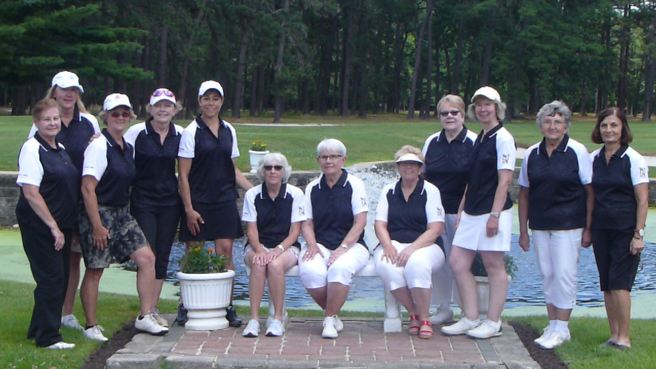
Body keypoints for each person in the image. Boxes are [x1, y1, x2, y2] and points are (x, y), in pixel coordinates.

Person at [79, 93, 168, 341]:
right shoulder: (98, 146)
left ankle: (145, 315)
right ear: (105, 116)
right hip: (99, 212)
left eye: (124, 113)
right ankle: (90, 325)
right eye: (115, 113)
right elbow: (87, 188)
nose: (120, 117)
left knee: (147, 258)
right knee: (96, 269)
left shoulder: (127, 146)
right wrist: (97, 225)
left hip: (122, 212)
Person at [441, 86, 516, 339]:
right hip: (472, 211)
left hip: (493, 211)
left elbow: (504, 181)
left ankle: (493, 322)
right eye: (479, 105)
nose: (483, 109)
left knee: (494, 265)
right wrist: (462, 209)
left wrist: (494, 216)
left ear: (497, 108)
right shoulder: (480, 138)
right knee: (458, 262)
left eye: (488, 104)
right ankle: (471, 317)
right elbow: (471, 180)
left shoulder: (503, 138)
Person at [517, 101, 594, 349]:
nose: (552, 126)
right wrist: (523, 231)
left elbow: (590, 192)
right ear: (540, 125)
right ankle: (552, 324)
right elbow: (524, 193)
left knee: (564, 274)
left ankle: (563, 328)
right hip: (540, 224)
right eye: (548, 121)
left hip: (568, 223)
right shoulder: (532, 153)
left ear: (566, 126)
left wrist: (588, 227)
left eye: (558, 122)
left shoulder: (577, 151)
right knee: (547, 274)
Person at [178, 80, 253, 327]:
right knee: (194, 251)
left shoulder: (229, 129)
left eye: (216, 98)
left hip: (224, 199)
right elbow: (184, 175)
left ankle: (226, 305)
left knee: (225, 252)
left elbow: (232, 169)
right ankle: (187, 305)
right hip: (198, 201)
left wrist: (254, 192)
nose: (211, 103)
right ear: (199, 101)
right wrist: (189, 209)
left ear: (222, 101)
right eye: (206, 98)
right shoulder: (191, 131)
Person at [29, 71, 100, 331]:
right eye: (64, 89)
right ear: (54, 92)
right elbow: (35, 158)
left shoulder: (89, 121)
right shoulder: (44, 123)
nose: (69, 94)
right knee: (59, 259)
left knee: (75, 258)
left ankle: (66, 314)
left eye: (74, 90)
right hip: (55, 199)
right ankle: (55, 315)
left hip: (82, 198)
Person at [16, 99, 80, 349]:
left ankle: (37, 328)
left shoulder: (59, 147)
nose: (52, 123)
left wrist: (67, 227)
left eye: (55, 118)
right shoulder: (32, 149)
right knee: (51, 278)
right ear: (36, 122)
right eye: (46, 119)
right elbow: (31, 193)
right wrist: (53, 226)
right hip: (40, 224)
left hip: (61, 224)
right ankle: (48, 338)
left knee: (59, 277)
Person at [124, 88, 184, 327]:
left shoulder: (179, 134)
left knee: (162, 256)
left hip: (170, 203)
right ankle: (144, 311)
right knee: (146, 257)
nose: (162, 109)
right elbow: (118, 151)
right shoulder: (137, 132)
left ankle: (154, 308)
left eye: (167, 106)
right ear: (149, 109)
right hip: (143, 202)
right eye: (158, 105)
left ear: (175, 109)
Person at [589, 108, 648, 350]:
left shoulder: (633, 159)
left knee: (620, 283)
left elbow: (643, 200)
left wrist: (638, 234)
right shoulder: (594, 157)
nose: (609, 130)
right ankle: (613, 335)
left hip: (626, 230)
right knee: (607, 282)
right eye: (604, 125)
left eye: (614, 125)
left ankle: (625, 337)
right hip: (601, 229)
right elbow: (590, 195)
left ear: (623, 128)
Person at [299, 138, 370, 339]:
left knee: (340, 269)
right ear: (318, 160)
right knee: (310, 270)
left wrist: (343, 248)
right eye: (324, 157)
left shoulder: (355, 185)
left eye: (333, 156)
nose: (328, 161)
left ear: (343, 160)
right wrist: (311, 245)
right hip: (319, 243)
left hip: (352, 245)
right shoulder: (313, 187)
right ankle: (333, 314)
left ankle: (329, 319)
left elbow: (360, 222)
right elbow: (307, 223)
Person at [374, 146, 446, 339]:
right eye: (404, 163)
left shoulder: (430, 191)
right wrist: (388, 245)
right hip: (395, 242)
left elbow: (436, 228)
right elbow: (380, 224)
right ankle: (413, 312)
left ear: (420, 167)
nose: (408, 167)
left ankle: (424, 318)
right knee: (386, 265)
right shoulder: (388, 191)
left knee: (417, 263)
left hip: (427, 245)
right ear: (398, 167)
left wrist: (412, 248)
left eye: (413, 164)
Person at [422, 94, 477, 325]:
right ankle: (444, 308)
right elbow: (423, 174)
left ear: (463, 115)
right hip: (435, 214)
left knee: (462, 263)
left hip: (463, 212)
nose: (449, 117)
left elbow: (476, 180)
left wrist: (466, 209)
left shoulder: (474, 141)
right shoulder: (432, 141)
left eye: (454, 112)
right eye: (445, 113)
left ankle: (468, 311)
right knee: (441, 263)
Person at [241, 153, 306, 337]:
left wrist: (278, 250)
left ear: (284, 171)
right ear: (262, 171)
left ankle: (278, 319)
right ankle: (253, 320)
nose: (272, 171)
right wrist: (260, 249)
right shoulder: (252, 195)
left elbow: (295, 232)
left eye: (277, 168)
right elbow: (251, 231)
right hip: (257, 245)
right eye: (268, 167)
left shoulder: (295, 194)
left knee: (275, 265)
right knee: (259, 262)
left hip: (286, 246)